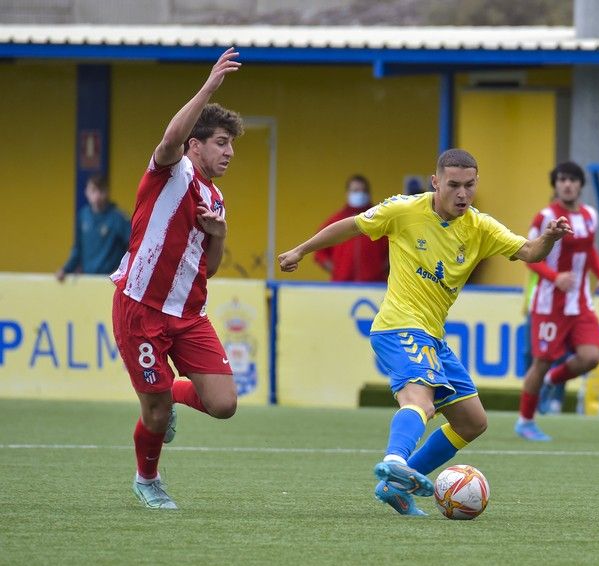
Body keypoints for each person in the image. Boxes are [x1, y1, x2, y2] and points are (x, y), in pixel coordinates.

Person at [277, 148, 570, 516]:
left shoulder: (480, 227)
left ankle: (397, 484)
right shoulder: (404, 210)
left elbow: (529, 251)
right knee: (420, 400)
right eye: (453, 185)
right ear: (436, 182)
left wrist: (550, 239)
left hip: (433, 336)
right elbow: (352, 225)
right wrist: (301, 250)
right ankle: (395, 459)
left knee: (473, 422)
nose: (462, 194)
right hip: (397, 326)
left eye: (469, 185)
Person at [110, 48, 244, 510]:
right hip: (141, 309)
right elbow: (171, 136)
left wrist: (220, 235)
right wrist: (209, 86)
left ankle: (167, 395)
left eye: (231, 145)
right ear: (196, 145)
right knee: (155, 411)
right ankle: (147, 479)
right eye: (221, 142)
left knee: (225, 403)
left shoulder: (216, 198)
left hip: (188, 314)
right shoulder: (171, 170)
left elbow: (212, 267)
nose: (229, 152)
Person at [515, 161, 599, 441]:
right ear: (555, 185)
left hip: (580, 302)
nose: (567, 184)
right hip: (549, 304)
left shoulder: (590, 215)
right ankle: (525, 421)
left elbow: (589, 249)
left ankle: (551, 382)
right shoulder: (544, 217)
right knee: (541, 361)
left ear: (580, 184)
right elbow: (528, 255)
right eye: (562, 179)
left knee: (591, 357)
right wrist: (555, 277)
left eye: (572, 179)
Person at [313, 175, 389, 282]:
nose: (360, 194)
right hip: (342, 286)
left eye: (363, 191)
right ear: (348, 193)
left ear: (369, 193)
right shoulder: (336, 220)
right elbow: (319, 251)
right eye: (356, 191)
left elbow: (394, 247)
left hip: (375, 285)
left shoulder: (380, 220)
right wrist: (337, 271)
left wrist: (381, 269)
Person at [57, 173, 131, 282]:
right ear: (86, 192)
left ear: (107, 192)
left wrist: (121, 271)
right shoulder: (83, 215)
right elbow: (78, 248)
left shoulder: (119, 218)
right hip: (88, 280)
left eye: (101, 190)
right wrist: (66, 269)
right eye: (93, 190)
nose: (96, 195)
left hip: (111, 281)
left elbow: (133, 246)